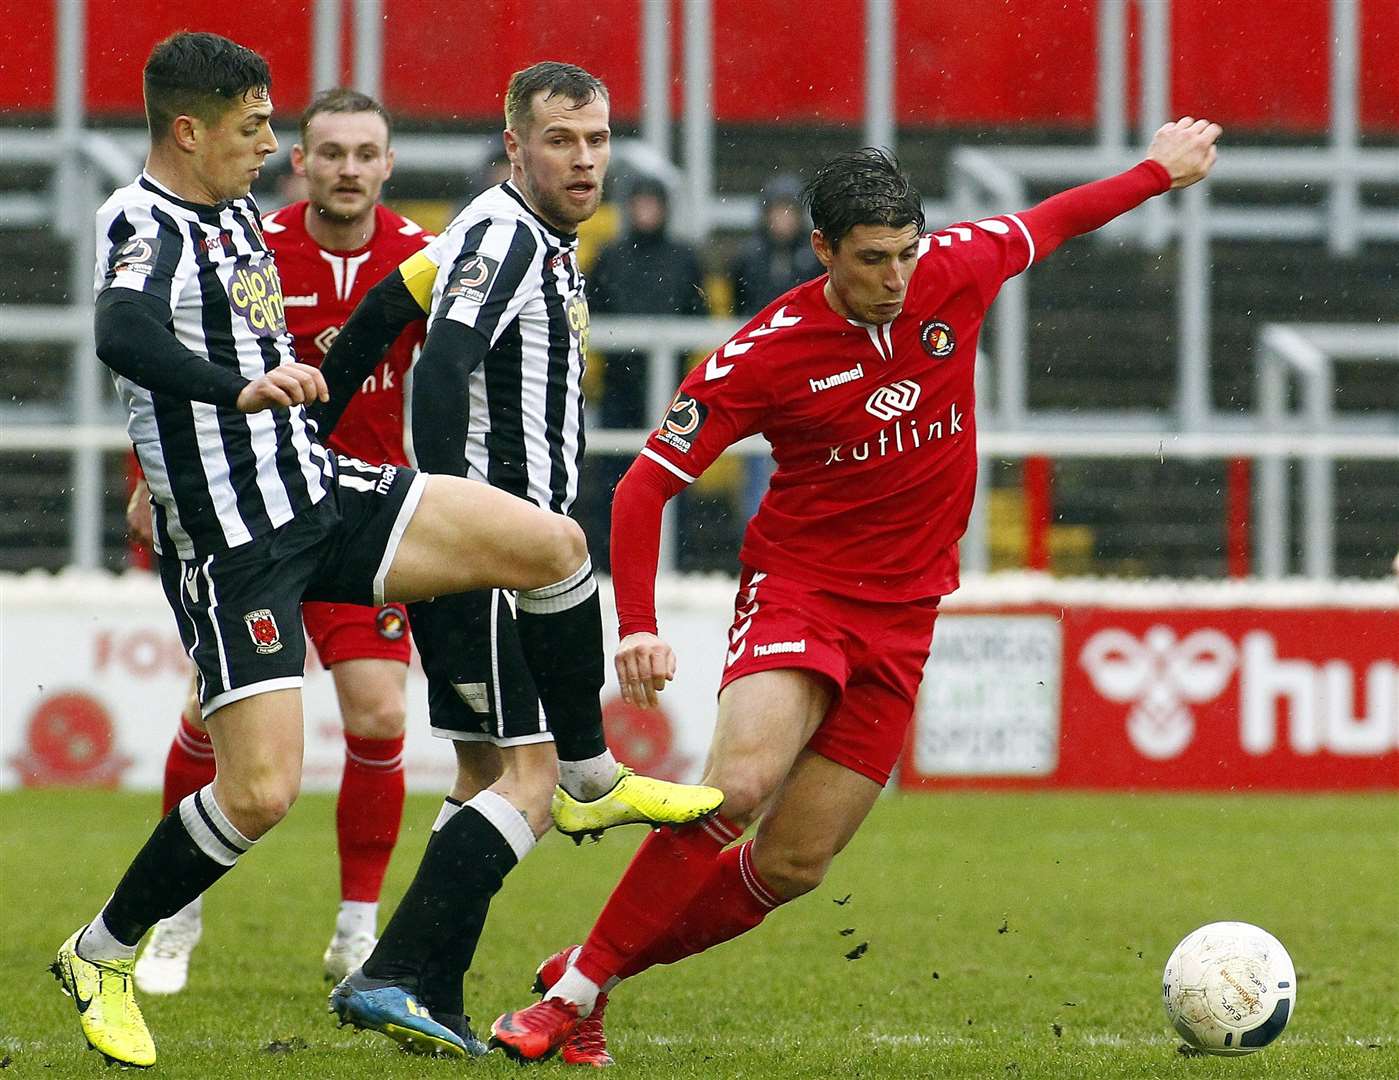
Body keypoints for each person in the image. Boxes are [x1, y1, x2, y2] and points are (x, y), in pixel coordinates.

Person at [488, 118, 1224, 1065]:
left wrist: (1157, 173)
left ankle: (591, 974)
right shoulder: (766, 349)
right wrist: (635, 625)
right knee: (737, 786)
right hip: (801, 593)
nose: (898, 277)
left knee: (793, 864)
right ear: (823, 248)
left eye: (907, 254)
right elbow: (644, 486)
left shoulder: (956, 267)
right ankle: (571, 1003)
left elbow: (1057, 217)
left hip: (906, 616)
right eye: (874, 259)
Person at [49, 35, 716, 1070]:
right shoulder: (140, 220)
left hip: (320, 490)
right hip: (236, 540)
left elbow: (382, 306)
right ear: (189, 130)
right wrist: (232, 395)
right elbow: (121, 331)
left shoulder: (237, 215)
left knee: (550, 543)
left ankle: (583, 773)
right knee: (262, 793)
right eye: (255, 127)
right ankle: (105, 951)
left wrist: (325, 385)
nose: (275, 146)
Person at [310, 60, 722, 1059]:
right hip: (502, 559)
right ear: (514, 145)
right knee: (537, 783)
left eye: (596, 140)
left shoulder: (486, 233)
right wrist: (457, 517)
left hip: (480, 552)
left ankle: (433, 996)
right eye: (560, 141)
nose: (584, 161)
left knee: (487, 772)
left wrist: (310, 425)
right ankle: (394, 970)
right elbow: (443, 364)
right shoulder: (504, 236)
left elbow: (376, 317)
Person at [129, 87, 433, 998]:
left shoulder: (421, 259)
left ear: (386, 166)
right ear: (299, 162)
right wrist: (147, 476)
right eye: (329, 151)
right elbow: (171, 360)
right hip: (251, 514)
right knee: (209, 720)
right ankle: (176, 916)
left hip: (365, 518)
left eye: (363, 153)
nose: (347, 167)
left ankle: (356, 929)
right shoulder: (253, 247)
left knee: (379, 714)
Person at [730, 173, 823, 317]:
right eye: (778, 212)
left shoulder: (816, 254)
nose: (784, 219)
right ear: (766, 215)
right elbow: (738, 302)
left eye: (790, 212)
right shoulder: (749, 256)